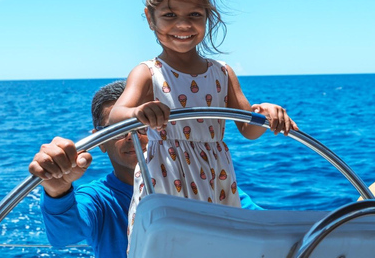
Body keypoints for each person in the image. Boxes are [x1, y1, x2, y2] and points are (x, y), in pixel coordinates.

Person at [107, 0, 299, 247]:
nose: (183, 25)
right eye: (169, 15)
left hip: (216, 180)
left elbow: (248, 127)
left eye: (194, 15)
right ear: (150, 18)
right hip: (165, 179)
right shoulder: (149, 72)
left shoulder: (222, 73)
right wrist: (138, 113)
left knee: (219, 246)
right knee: (166, 247)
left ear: (208, 16)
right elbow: (115, 116)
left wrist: (265, 114)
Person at [29, 80, 263, 258]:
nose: (132, 137)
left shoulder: (201, 182)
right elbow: (63, 236)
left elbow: (261, 226)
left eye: (143, 127)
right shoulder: (99, 199)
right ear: (99, 141)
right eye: (117, 130)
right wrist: (57, 189)